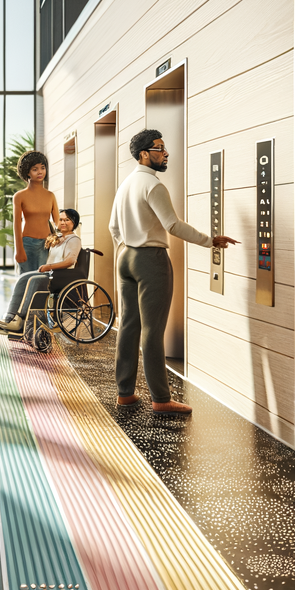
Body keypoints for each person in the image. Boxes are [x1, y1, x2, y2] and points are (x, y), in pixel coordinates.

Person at [109, 129, 238, 414]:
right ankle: (161, 399)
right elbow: (173, 225)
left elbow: (113, 228)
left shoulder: (126, 184)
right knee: (153, 331)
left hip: (125, 257)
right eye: (159, 148)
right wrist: (210, 240)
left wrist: (127, 247)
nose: (165, 153)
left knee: (129, 327)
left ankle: (125, 393)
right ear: (144, 154)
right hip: (150, 260)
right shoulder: (153, 186)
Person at [0, 208, 81, 333]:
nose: (63, 222)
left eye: (67, 220)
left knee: (34, 279)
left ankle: (22, 320)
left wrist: (49, 266)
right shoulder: (59, 238)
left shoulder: (74, 240)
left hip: (60, 275)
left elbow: (70, 261)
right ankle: (11, 316)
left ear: (74, 223)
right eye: (61, 219)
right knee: (24, 278)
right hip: (50, 273)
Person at [12, 150, 59, 274]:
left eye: (42, 168)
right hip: (27, 244)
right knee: (26, 281)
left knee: (42, 282)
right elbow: (16, 224)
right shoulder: (19, 196)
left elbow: (57, 222)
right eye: (35, 169)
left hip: (47, 245)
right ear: (27, 172)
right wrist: (19, 249)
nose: (40, 172)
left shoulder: (50, 196)